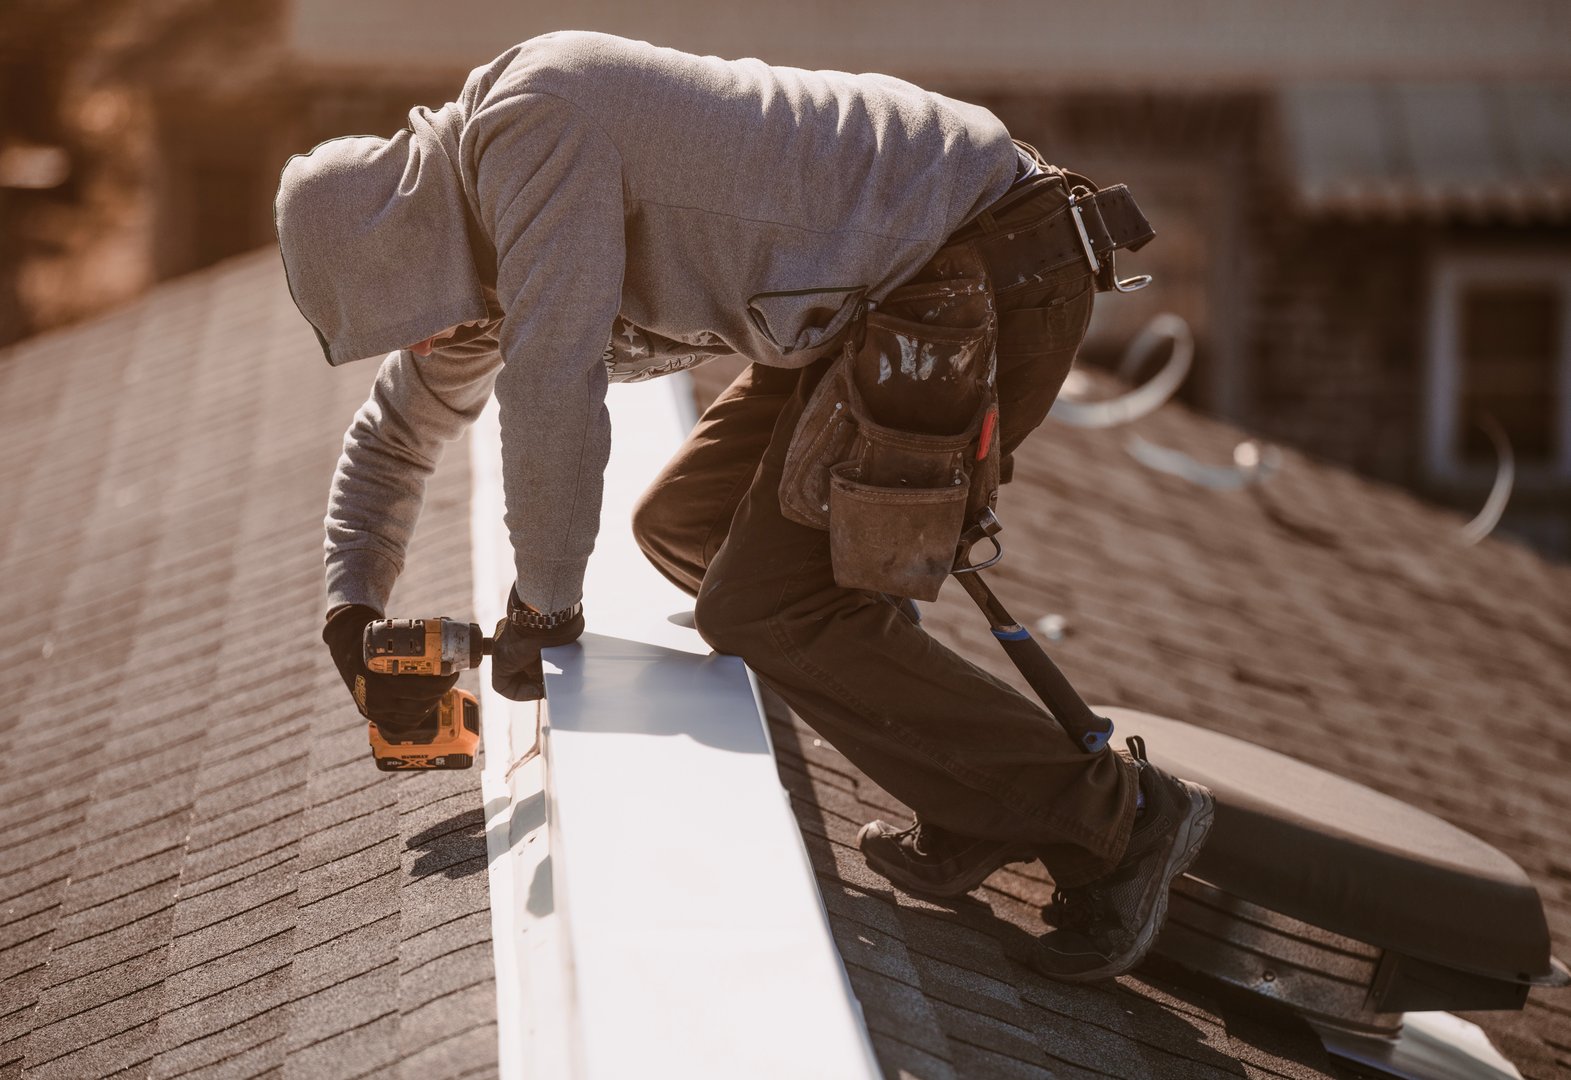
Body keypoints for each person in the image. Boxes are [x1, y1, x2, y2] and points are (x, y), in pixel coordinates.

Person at [275, 30, 1212, 981]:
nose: (430, 345)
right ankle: (982, 794)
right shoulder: (469, 254)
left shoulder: (529, 131)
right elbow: (393, 436)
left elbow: (552, 382)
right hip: (892, 300)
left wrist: (544, 608)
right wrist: (350, 610)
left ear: (410, 243)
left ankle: (1119, 820)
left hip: (983, 272)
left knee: (768, 603)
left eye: (416, 321)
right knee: (685, 528)